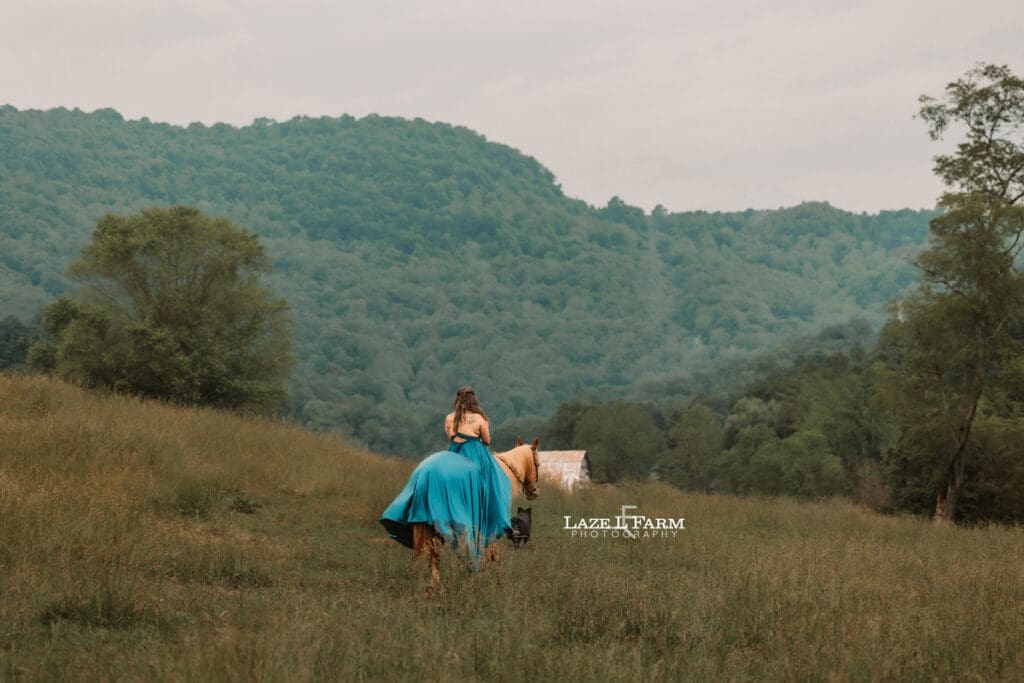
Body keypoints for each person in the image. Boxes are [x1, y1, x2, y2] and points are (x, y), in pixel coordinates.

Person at [380, 387, 512, 563]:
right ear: (474, 400)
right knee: (491, 484)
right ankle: (487, 527)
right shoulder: (480, 418)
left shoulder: (450, 418)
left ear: (457, 401)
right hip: (475, 453)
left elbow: (451, 437)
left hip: (455, 453)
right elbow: (487, 441)